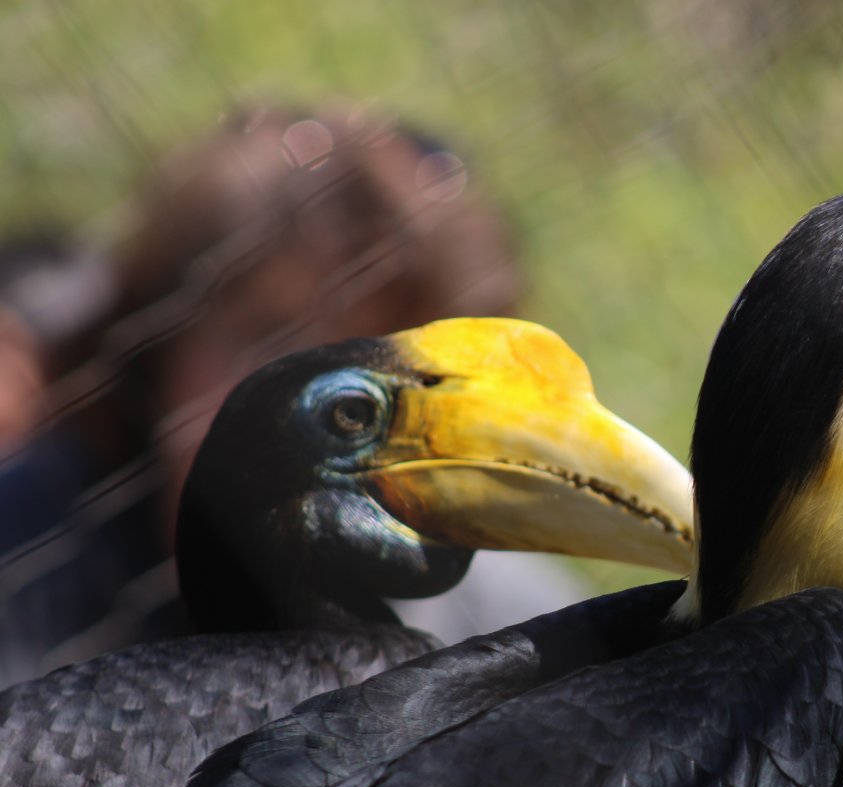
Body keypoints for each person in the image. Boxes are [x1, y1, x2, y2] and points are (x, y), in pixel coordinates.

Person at [0, 103, 575, 685]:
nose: (308, 399)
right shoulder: (23, 543)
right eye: (264, 335)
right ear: (155, 348)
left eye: (371, 365)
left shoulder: (506, 631)